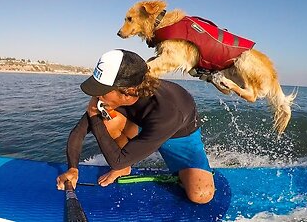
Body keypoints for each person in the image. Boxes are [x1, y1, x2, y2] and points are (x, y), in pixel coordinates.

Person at [56, 49, 215, 204]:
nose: (97, 96)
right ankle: (126, 167)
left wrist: (93, 115)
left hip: (179, 135)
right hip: (143, 126)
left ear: (128, 91)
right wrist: (72, 169)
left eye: (103, 91)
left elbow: (116, 161)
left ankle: (188, 172)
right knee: (109, 119)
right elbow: (78, 132)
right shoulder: (114, 96)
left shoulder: (168, 112)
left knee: (201, 195)